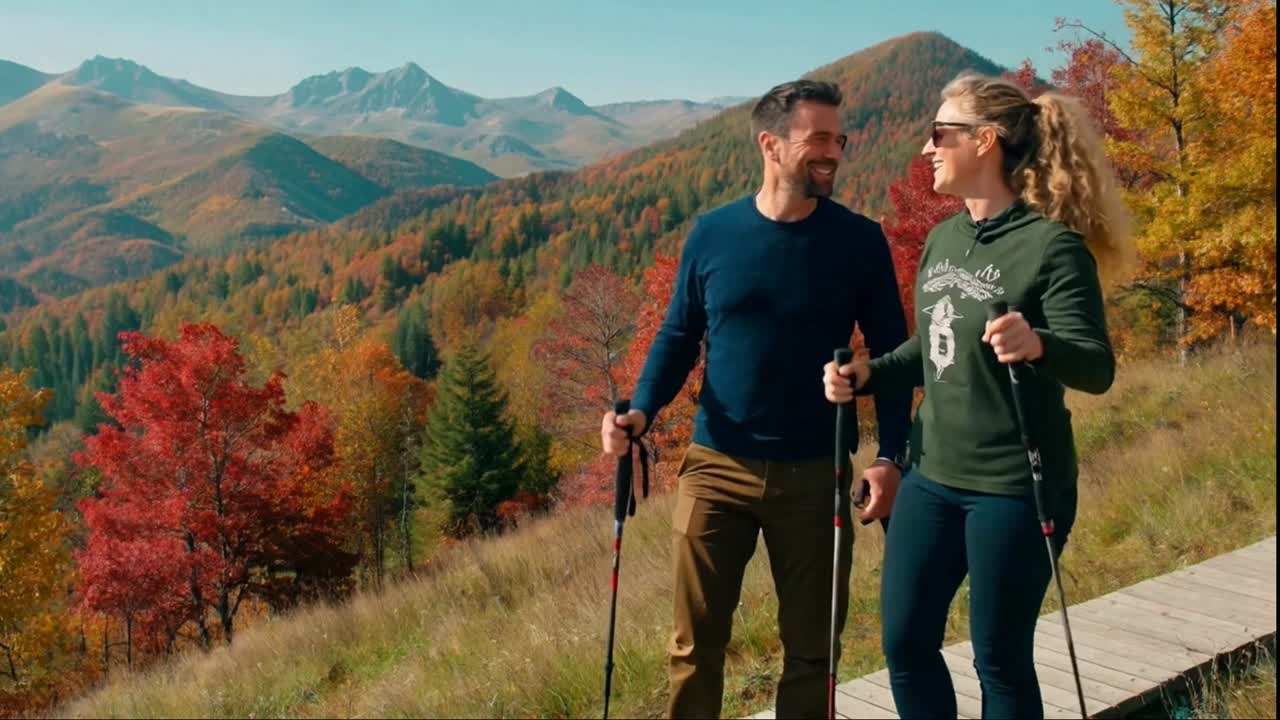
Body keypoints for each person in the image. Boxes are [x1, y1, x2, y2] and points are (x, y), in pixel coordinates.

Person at [600, 79, 913, 719]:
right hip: (715, 467)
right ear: (771, 144)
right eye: (819, 138)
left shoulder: (859, 241)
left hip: (815, 473)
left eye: (840, 139)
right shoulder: (713, 235)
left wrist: (893, 458)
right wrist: (640, 410)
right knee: (694, 647)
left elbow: (893, 354)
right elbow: (678, 335)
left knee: (814, 652)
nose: (834, 152)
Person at [824, 72, 1132, 719]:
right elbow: (930, 349)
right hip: (933, 477)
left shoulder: (1051, 248)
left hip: (1015, 489)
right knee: (905, 642)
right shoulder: (942, 240)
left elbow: (1098, 366)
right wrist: (866, 374)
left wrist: (1038, 341)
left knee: (999, 658)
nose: (928, 149)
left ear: (985, 141)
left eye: (941, 134)